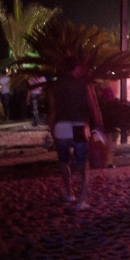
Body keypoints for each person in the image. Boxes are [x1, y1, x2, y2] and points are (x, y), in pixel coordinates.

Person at [46, 58, 104, 210]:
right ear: (76, 68)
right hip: (78, 126)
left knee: (64, 162)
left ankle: (69, 193)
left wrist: (50, 131)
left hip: (61, 127)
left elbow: (52, 112)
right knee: (83, 164)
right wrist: (99, 126)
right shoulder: (84, 85)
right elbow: (94, 108)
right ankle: (81, 200)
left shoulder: (54, 86)